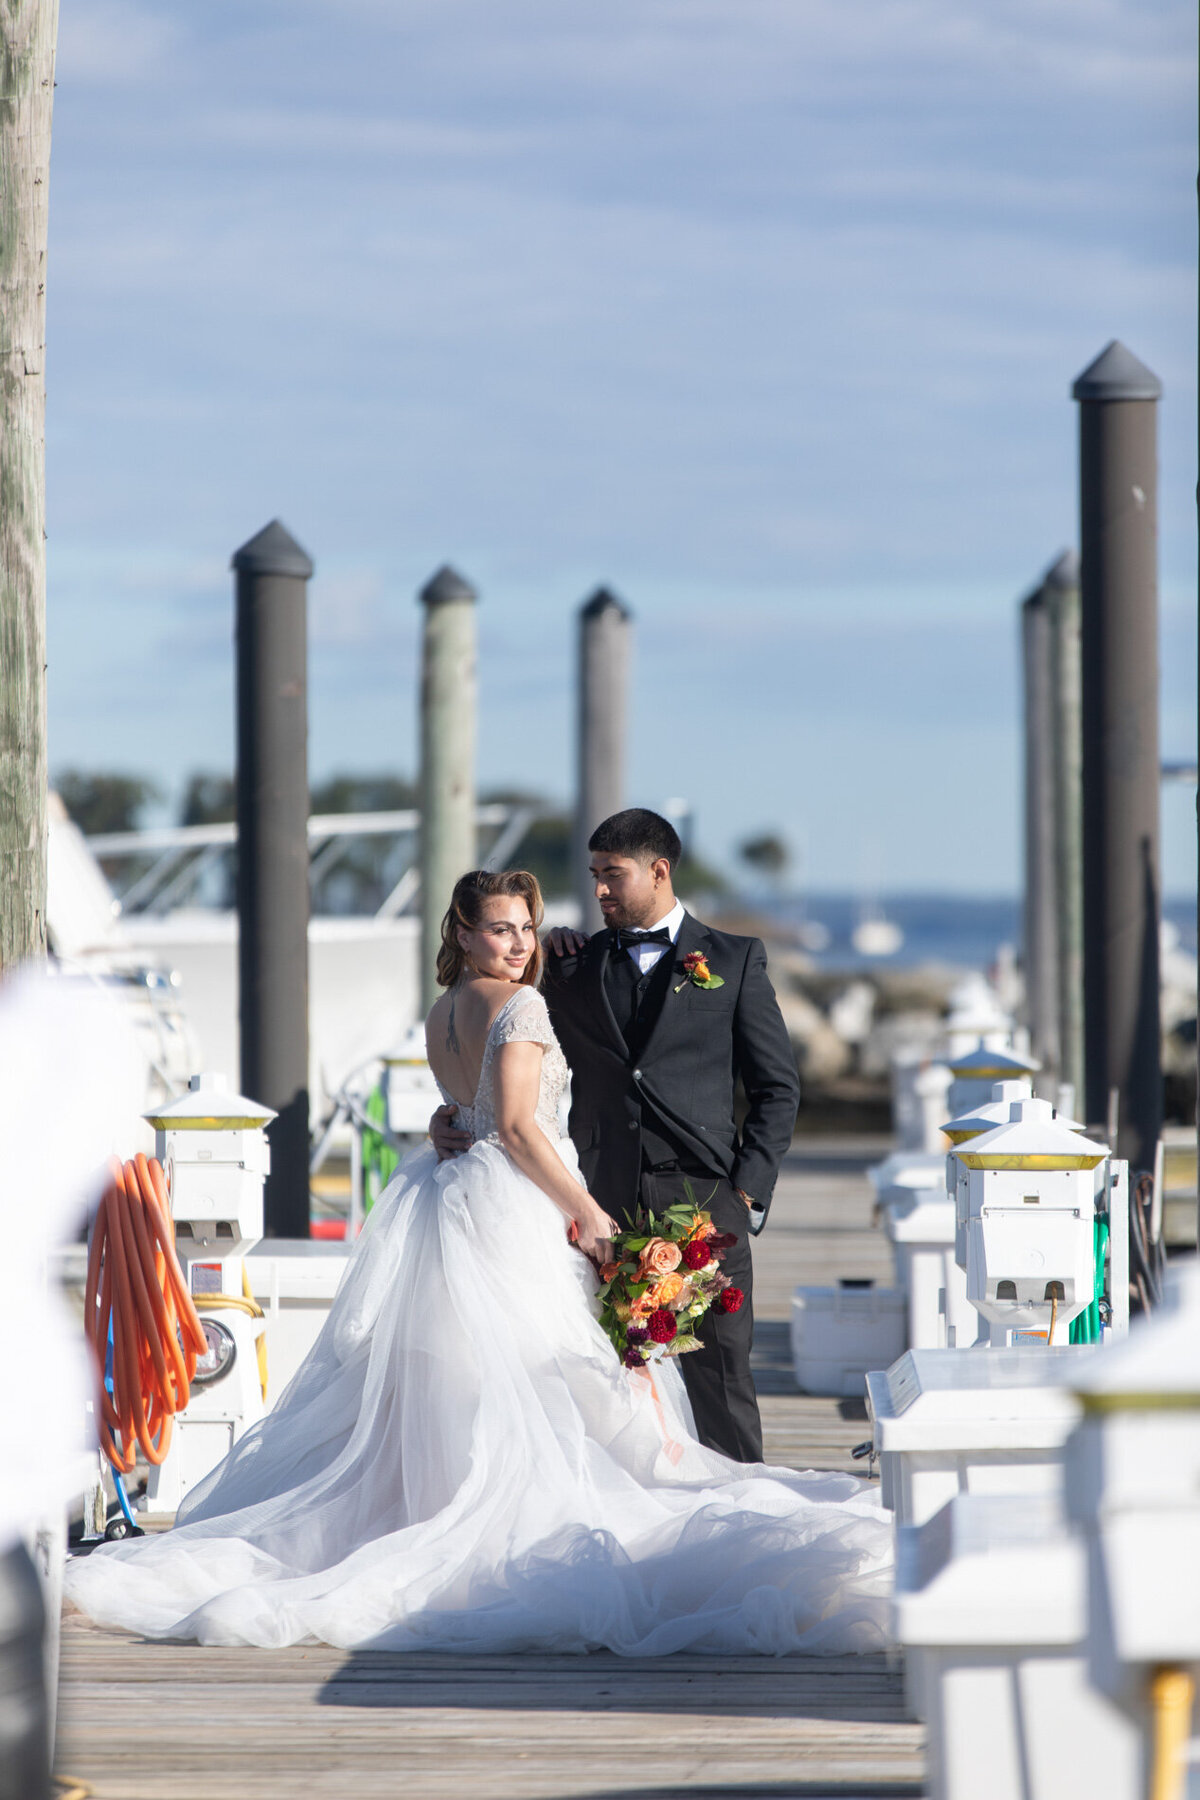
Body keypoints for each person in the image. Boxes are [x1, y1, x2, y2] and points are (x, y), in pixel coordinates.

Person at [66, 869, 889, 1655]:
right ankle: (505, 1520)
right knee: (541, 1372)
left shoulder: (443, 1009)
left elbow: (469, 1107)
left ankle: (446, 1506)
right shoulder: (523, 1007)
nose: (518, 944)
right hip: (518, 1203)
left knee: (476, 1374)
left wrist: (445, 1124)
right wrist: (590, 1214)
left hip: (452, 1192)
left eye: (526, 929)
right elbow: (524, 1129)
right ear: (462, 932)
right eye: (500, 930)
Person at [433, 809, 799, 1464]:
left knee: (720, 1384)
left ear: (658, 871)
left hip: (705, 1208)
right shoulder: (567, 967)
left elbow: (777, 1089)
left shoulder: (734, 960)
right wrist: (454, 1116)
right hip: (592, 1212)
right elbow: (497, 1046)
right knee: (608, 1392)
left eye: (613, 875)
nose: (599, 889)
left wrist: (746, 1195)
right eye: (594, 875)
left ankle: (740, 1522)